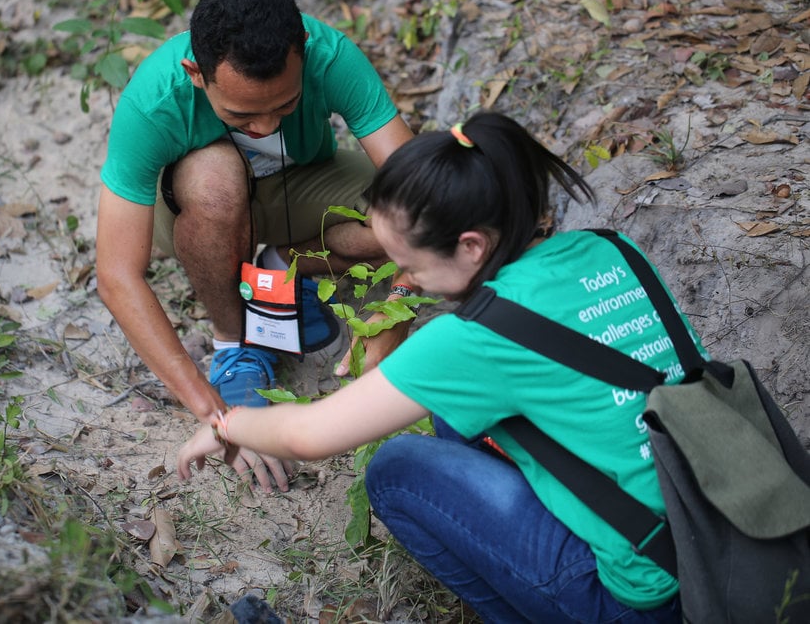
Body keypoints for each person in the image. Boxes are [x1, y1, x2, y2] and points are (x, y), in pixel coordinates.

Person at [177, 111, 694, 622]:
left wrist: (226, 425)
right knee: (454, 413)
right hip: (716, 542)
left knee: (397, 471)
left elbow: (309, 435)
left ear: (471, 246)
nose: (410, 282)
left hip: (638, 600)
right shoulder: (609, 248)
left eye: (413, 266)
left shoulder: (476, 338)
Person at [95, 0, 414, 492]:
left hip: (296, 189)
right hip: (196, 208)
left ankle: (274, 268)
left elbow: (427, 203)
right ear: (196, 74)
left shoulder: (330, 56)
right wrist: (215, 411)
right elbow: (115, 274)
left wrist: (397, 308)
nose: (264, 128)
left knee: (395, 221)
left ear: (303, 57)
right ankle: (235, 343)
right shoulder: (154, 101)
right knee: (216, 178)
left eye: (284, 106)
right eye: (242, 114)